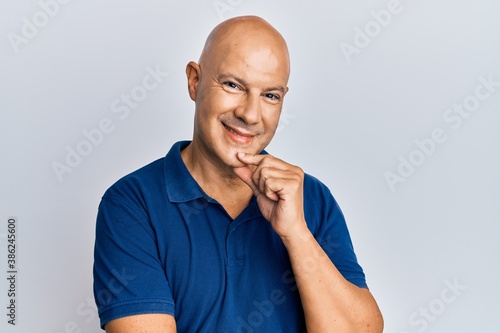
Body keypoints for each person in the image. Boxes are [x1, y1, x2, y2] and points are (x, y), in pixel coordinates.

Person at [93, 15, 383, 332]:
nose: (249, 113)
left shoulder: (311, 198)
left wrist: (296, 234)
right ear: (194, 81)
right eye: (233, 85)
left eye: (270, 95)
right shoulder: (132, 204)